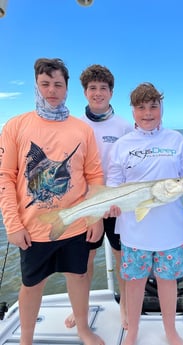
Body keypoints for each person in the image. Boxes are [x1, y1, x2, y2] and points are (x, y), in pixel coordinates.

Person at [0, 58, 108, 345]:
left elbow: (94, 174)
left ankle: (83, 328)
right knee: (32, 285)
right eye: (45, 84)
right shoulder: (15, 126)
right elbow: (5, 178)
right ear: (36, 86)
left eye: (58, 84)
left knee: (79, 276)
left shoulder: (81, 129)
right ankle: (26, 339)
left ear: (67, 88)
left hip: (75, 224)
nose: (52, 91)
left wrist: (95, 216)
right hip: (33, 228)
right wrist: (12, 223)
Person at [106, 82, 183, 345]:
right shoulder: (123, 144)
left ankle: (170, 331)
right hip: (133, 231)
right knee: (135, 282)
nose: (147, 113)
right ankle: (133, 331)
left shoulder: (175, 140)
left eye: (153, 106)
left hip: (170, 230)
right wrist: (111, 203)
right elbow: (114, 179)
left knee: (168, 282)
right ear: (133, 111)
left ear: (161, 107)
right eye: (141, 108)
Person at [65, 64, 132, 329]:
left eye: (103, 88)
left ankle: (125, 306)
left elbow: (131, 167)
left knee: (121, 257)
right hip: (86, 205)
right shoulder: (73, 125)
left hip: (117, 204)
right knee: (85, 261)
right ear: (84, 92)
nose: (98, 93)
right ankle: (79, 308)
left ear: (111, 92)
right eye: (92, 88)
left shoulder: (125, 126)